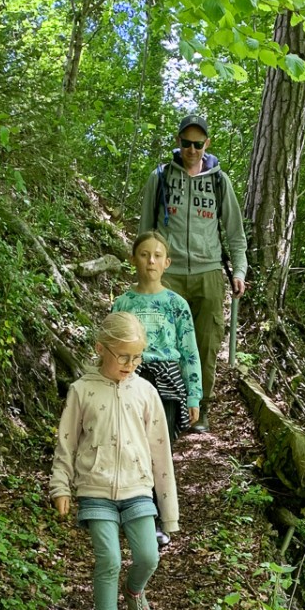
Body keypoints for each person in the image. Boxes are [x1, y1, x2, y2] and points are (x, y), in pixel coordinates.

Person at [49, 311, 177, 610]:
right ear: (100, 348)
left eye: (137, 357)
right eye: (123, 356)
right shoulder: (81, 391)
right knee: (109, 559)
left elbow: (161, 454)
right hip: (95, 489)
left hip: (138, 489)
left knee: (148, 556)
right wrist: (61, 485)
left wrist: (169, 512)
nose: (131, 364)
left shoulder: (146, 391)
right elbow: (67, 443)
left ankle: (134, 592)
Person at [138, 112, 247, 434]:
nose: (192, 150)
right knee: (160, 341)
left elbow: (235, 232)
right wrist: (146, 270)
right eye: (186, 143)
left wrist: (238, 270)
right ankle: (160, 405)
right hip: (167, 272)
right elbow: (145, 230)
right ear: (178, 142)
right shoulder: (159, 177)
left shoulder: (218, 180)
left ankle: (201, 407)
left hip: (209, 271)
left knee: (205, 344)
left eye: (198, 144)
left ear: (207, 144)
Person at [111, 232, 202, 551]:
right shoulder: (123, 303)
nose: (150, 260)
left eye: (157, 255)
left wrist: (194, 395)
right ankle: (136, 515)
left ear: (167, 262)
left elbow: (189, 349)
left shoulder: (176, 304)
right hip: (131, 379)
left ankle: (158, 521)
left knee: (157, 453)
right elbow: (112, 348)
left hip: (167, 383)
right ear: (134, 259)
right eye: (144, 254)